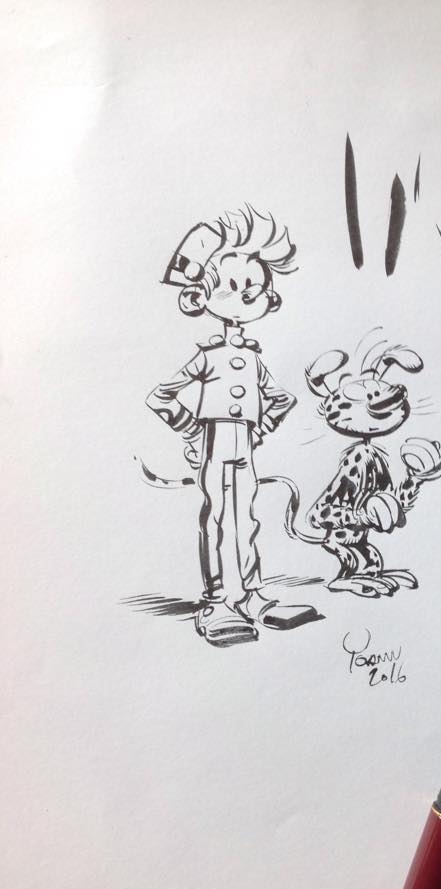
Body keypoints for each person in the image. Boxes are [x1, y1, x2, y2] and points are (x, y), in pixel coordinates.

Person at [146, 206, 319, 646]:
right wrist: (193, 431)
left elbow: (281, 398)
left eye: (255, 289)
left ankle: (252, 595)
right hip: (215, 442)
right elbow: (161, 396)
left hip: (244, 445)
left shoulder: (252, 357)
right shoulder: (208, 356)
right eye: (235, 288)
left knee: (246, 517)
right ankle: (218, 599)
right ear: (198, 297)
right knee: (218, 517)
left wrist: (260, 430)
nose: (248, 297)